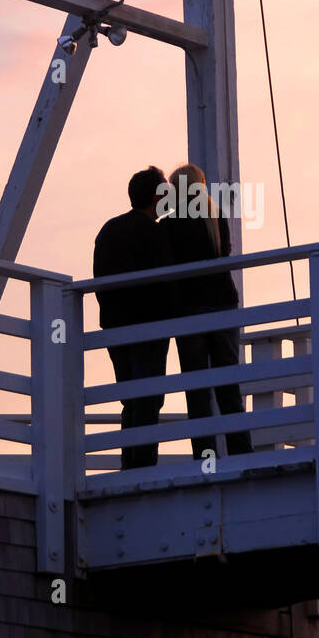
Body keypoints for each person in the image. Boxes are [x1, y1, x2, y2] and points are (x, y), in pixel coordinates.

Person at [163, 163, 253, 461]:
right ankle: (241, 450)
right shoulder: (215, 218)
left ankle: (205, 456)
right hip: (223, 303)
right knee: (228, 383)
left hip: (190, 308)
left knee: (197, 389)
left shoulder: (171, 225)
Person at [93, 167, 173, 469]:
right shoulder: (155, 233)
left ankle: (130, 464)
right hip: (148, 327)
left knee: (130, 397)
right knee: (149, 399)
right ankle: (143, 466)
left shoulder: (109, 230)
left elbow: (100, 278)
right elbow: (166, 282)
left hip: (115, 325)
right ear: (157, 197)